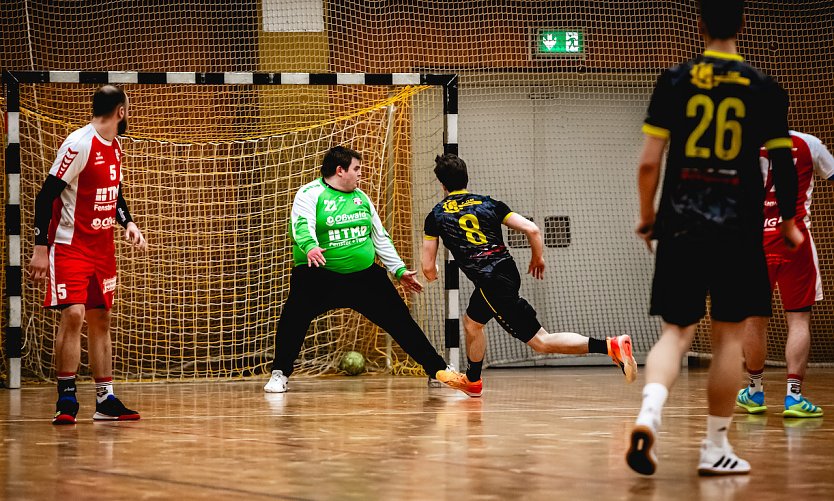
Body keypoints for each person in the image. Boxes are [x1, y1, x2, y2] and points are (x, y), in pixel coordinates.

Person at [626, 0, 803, 476]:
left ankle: (649, 415)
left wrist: (649, 218)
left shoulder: (674, 80)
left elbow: (648, 162)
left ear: (699, 24)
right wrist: (788, 222)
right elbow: (783, 165)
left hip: (681, 223)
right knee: (727, 339)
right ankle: (714, 448)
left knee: (675, 332)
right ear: (743, 23)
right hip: (739, 228)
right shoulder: (766, 88)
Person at [421, 153, 638, 398]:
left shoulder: (436, 216)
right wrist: (538, 258)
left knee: (541, 342)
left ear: (442, 184)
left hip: (491, 282)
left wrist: (433, 273)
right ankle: (473, 381)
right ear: (466, 177)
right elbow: (532, 229)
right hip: (506, 271)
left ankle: (610, 346)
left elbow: (428, 268)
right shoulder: (489, 204)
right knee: (472, 323)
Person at [264, 146, 464, 393]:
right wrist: (310, 247)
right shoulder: (310, 193)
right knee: (292, 321)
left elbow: (380, 238)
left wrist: (399, 271)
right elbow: (301, 225)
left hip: (363, 277)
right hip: (319, 275)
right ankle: (280, 374)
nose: (361, 174)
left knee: (401, 321)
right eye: (356, 169)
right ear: (340, 170)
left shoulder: (361, 198)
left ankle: (437, 371)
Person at [28, 85, 148, 424]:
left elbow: (115, 192)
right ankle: (66, 399)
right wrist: (40, 249)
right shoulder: (79, 143)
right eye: (129, 108)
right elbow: (45, 196)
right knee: (74, 315)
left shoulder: (116, 146)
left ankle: (105, 400)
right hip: (70, 246)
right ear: (121, 112)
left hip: (102, 248)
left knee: (101, 319)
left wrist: (128, 222)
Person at [736, 130, 834, 418]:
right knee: (799, 318)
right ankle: (794, 397)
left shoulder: (739, 143)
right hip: (795, 239)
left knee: (754, 320)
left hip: (753, 243)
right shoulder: (809, 143)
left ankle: (754, 391)